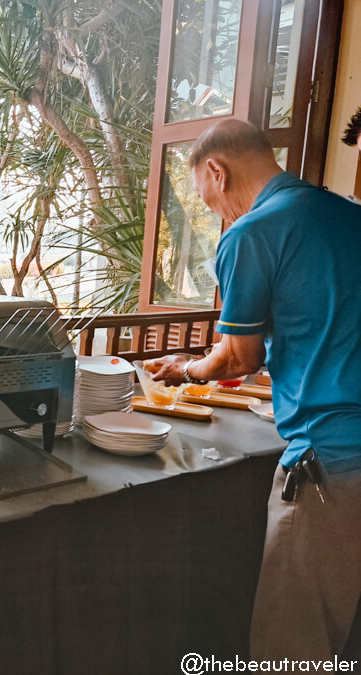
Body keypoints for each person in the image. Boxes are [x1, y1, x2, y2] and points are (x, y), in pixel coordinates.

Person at [147, 119, 361, 659]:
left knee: (292, 646)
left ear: (216, 171)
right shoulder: (346, 214)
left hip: (332, 460)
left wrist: (187, 368)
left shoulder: (251, 233)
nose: (217, 213)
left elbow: (240, 356)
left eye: (207, 198)